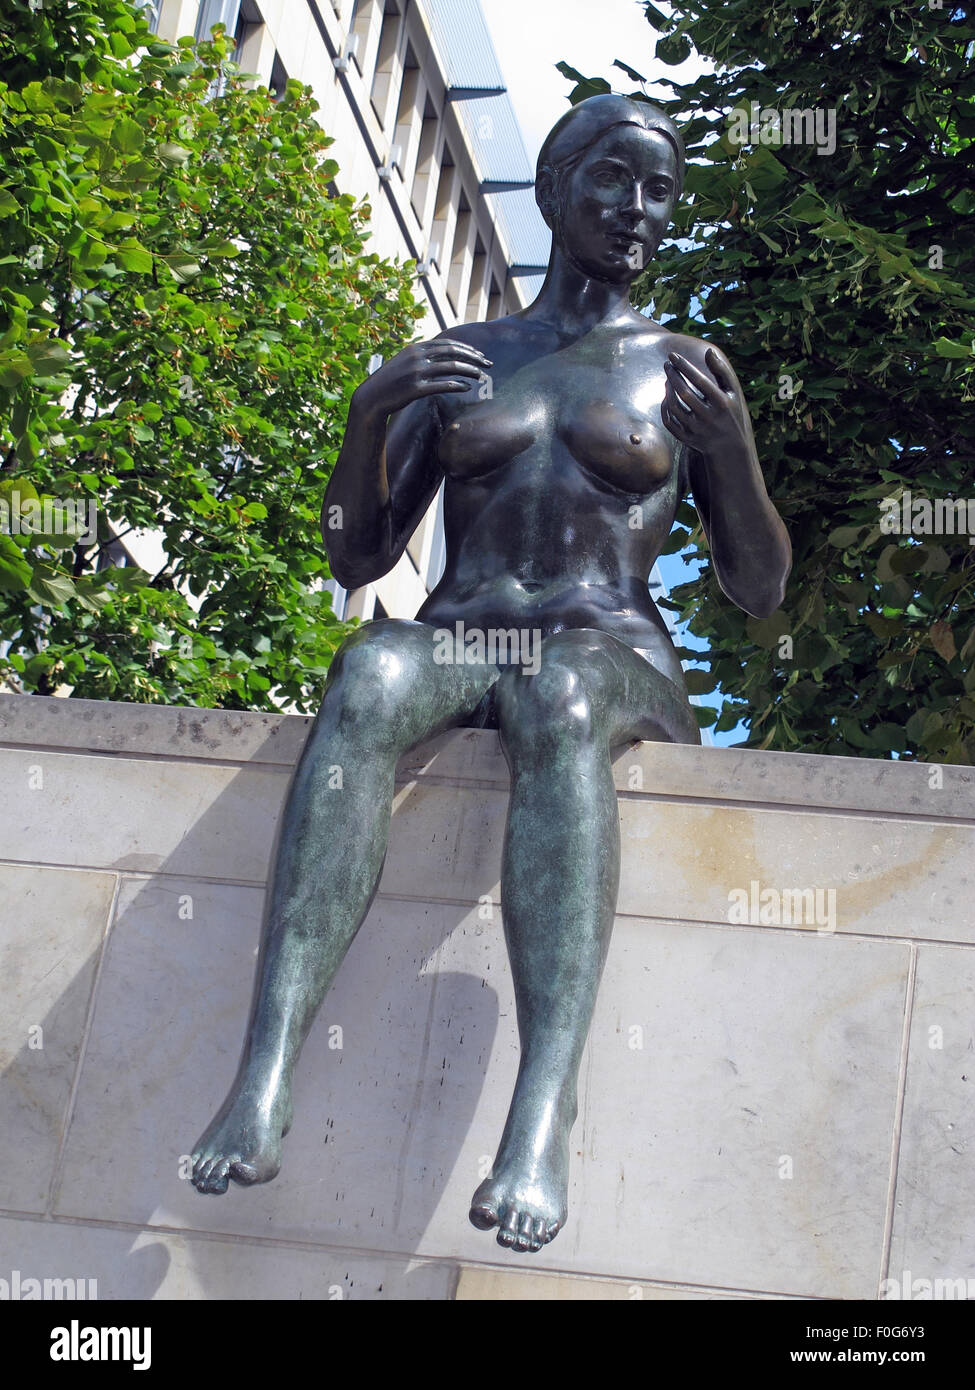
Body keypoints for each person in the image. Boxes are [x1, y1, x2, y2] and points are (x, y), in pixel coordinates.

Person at [190, 93, 792, 1254]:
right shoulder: (467, 361)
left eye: (660, 188)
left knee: (560, 693)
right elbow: (357, 550)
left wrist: (731, 456)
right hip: (465, 632)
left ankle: (542, 1111)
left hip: (614, 653)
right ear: (556, 190)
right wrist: (368, 418)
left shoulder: (686, 372)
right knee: (365, 673)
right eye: (614, 179)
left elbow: (758, 586)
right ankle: (262, 1076)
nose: (637, 208)